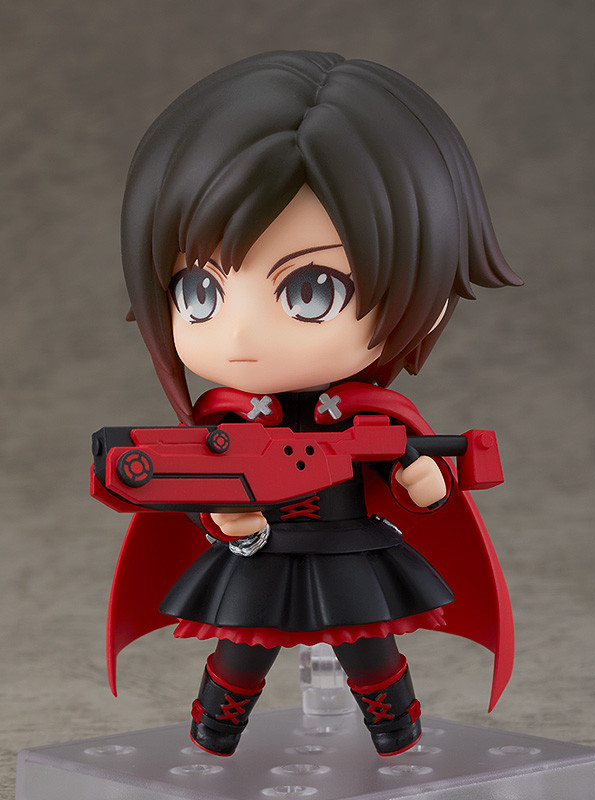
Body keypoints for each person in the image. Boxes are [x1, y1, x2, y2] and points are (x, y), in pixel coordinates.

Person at [108, 50, 521, 757]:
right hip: (259, 555)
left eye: (310, 290)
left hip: (347, 549)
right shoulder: (225, 421)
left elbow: (407, 477)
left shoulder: (366, 418)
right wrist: (226, 518)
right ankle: (215, 732)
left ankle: (395, 732)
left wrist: (423, 480)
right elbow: (194, 482)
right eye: (199, 292)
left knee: (369, 648)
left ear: (424, 300)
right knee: (241, 650)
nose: (240, 335)